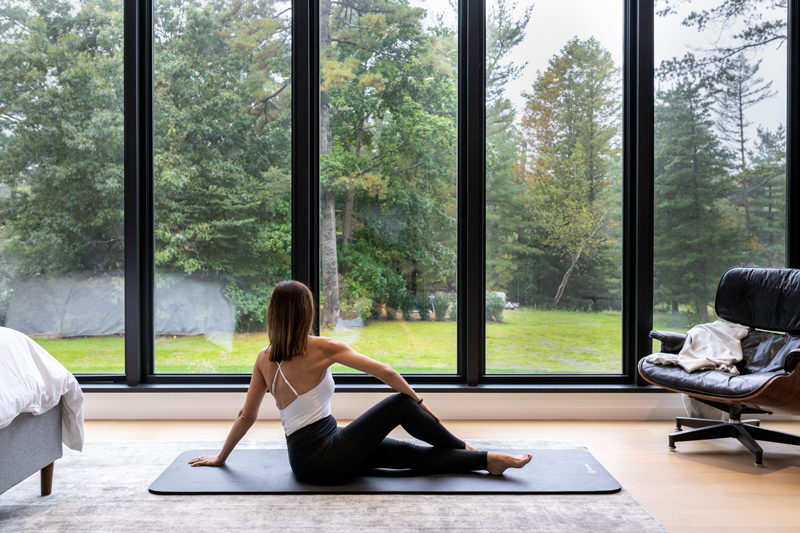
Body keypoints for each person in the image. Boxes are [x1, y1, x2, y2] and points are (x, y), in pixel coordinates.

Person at [189, 280, 532, 483]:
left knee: (409, 454)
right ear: (307, 310)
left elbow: (245, 416)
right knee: (400, 402)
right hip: (327, 457)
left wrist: (221, 457)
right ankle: (465, 447)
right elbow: (386, 373)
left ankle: (488, 460)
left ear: (273, 315)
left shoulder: (264, 358)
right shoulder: (323, 347)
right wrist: (420, 403)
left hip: (308, 459)